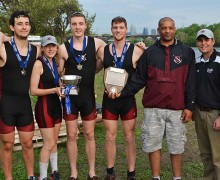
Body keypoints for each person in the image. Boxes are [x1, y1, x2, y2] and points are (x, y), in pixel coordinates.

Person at [111, 17, 196, 180]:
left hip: (177, 108)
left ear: (175, 29)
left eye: (170, 28)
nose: (167, 31)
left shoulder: (187, 52)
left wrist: (189, 106)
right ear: (158, 30)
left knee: (177, 147)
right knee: (153, 145)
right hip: (153, 109)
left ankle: (177, 177)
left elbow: (191, 81)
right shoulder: (149, 53)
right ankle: (155, 177)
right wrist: (122, 92)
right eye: (164, 28)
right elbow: (139, 79)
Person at [58, 12, 106, 180]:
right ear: (70, 26)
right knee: (71, 135)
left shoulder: (97, 43)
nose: (77, 27)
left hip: (88, 98)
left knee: (90, 134)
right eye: (74, 24)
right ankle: (73, 172)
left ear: (86, 25)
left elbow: (107, 59)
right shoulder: (63, 48)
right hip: (71, 99)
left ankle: (92, 171)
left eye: (80, 23)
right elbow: (59, 73)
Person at [96, 16, 144, 180]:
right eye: (115, 27)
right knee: (110, 136)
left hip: (127, 100)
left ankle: (131, 173)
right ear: (111, 30)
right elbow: (93, 70)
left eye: (121, 27)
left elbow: (143, 75)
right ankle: (110, 172)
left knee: (129, 137)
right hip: (109, 99)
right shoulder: (103, 51)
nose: (118, 30)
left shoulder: (137, 50)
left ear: (126, 30)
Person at [0, 10, 41, 180]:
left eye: (26, 23)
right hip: (6, 104)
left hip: (24, 103)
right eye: (19, 24)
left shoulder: (36, 50)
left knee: (27, 143)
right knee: (8, 145)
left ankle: (30, 176)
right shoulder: (3, 49)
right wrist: (9, 38)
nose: (24, 27)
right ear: (12, 27)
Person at [30, 35, 63, 180]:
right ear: (42, 48)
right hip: (44, 108)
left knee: (53, 142)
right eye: (47, 46)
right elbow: (33, 90)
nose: (50, 48)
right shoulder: (39, 64)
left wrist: (61, 87)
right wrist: (54, 90)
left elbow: (55, 84)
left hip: (56, 106)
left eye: (53, 46)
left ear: (56, 48)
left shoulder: (54, 63)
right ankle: (42, 177)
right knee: (48, 144)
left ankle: (54, 172)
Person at [193, 29, 220, 180]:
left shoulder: (219, 61)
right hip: (199, 113)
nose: (203, 43)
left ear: (213, 41)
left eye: (207, 40)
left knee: (218, 157)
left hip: (215, 115)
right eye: (200, 40)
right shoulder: (197, 62)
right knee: (206, 155)